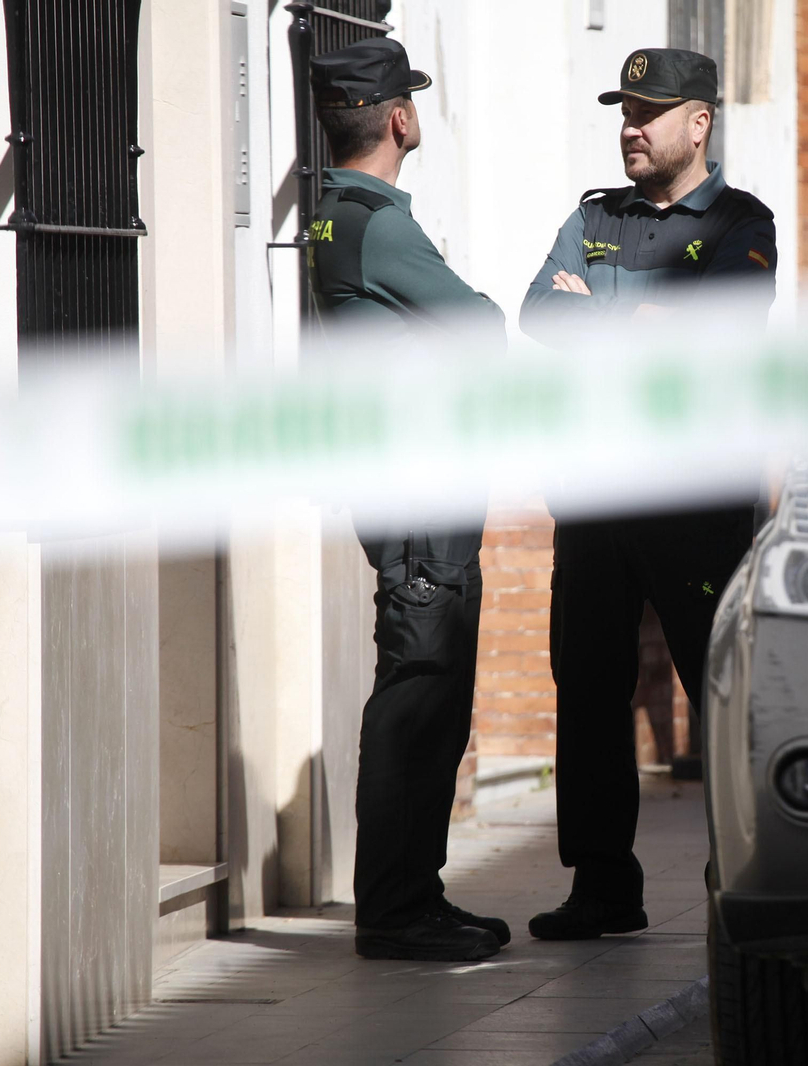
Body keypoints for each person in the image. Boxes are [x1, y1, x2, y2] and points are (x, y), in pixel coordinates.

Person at [520, 48, 778, 940]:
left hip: (695, 504)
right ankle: (602, 887)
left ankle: (742, 875)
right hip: (594, 494)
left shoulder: (743, 221)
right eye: (624, 111)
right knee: (588, 686)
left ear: (699, 122)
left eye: (649, 112)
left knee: (723, 688)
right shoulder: (595, 217)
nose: (630, 126)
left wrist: (599, 313)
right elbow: (537, 313)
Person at [308, 37, 508, 962]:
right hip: (421, 498)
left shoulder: (331, 214)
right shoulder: (378, 222)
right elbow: (481, 327)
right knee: (419, 698)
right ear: (397, 117)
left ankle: (406, 899)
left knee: (417, 692)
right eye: (412, 101)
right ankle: (398, 908)